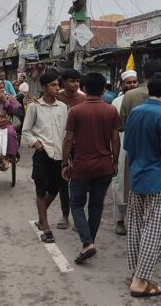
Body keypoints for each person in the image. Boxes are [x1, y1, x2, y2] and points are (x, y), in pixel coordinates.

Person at [123, 73, 161, 298]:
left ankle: (136, 273)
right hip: (157, 178)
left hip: (137, 175)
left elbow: (128, 146)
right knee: (155, 230)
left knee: (136, 226)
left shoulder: (136, 112)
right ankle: (140, 281)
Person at [62, 72, 120, 264]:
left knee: (77, 204)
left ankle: (87, 243)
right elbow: (115, 139)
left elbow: (68, 139)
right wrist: (115, 161)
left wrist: (64, 162)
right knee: (96, 205)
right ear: (104, 89)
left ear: (84, 88)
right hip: (104, 165)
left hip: (82, 166)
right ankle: (90, 242)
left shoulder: (76, 111)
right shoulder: (111, 111)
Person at [22, 72, 68, 244]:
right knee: (41, 190)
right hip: (43, 154)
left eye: (58, 85)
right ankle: (46, 228)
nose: (57, 88)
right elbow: (26, 131)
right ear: (44, 87)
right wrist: (37, 144)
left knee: (55, 189)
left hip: (59, 155)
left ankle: (42, 216)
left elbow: (66, 131)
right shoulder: (34, 107)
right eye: (53, 85)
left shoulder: (62, 107)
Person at [51, 68, 87, 230]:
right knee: (63, 181)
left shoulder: (83, 99)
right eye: (72, 81)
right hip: (61, 143)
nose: (75, 84)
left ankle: (78, 216)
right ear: (64, 82)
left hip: (79, 144)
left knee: (79, 182)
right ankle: (65, 215)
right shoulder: (56, 97)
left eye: (77, 81)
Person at [111, 70, 138, 235]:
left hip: (139, 145)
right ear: (122, 85)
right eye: (129, 82)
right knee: (120, 181)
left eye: (134, 82)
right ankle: (119, 220)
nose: (132, 85)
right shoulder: (117, 101)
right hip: (121, 143)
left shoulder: (143, 98)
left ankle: (136, 221)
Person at [0, 78, 21, 171]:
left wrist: (5, 101)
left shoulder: (8, 97)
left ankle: (7, 157)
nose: (2, 89)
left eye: (3, 87)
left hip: (5, 123)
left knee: (10, 132)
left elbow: (15, 110)